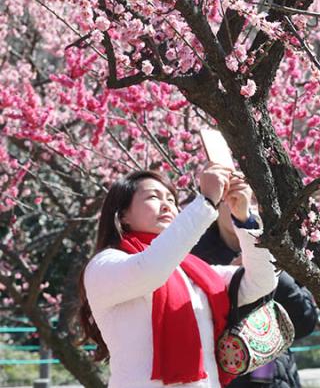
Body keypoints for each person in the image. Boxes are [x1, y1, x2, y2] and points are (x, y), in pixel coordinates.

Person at [78, 165, 278, 387]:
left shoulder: (195, 271)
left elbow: (262, 282)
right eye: (153, 197)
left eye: (172, 200)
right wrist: (206, 203)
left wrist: (244, 218)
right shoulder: (104, 265)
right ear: (123, 215)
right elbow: (150, 270)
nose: (166, 205)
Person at [192, 193, 318, 388]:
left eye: (254, 199)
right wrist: (234, 280)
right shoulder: (195, 258)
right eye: (235, 198)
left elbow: (305, 322)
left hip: (276, 375)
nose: (246, 206)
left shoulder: (283, 249)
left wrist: (270, 271)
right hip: (223, 375)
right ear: (215, 206)